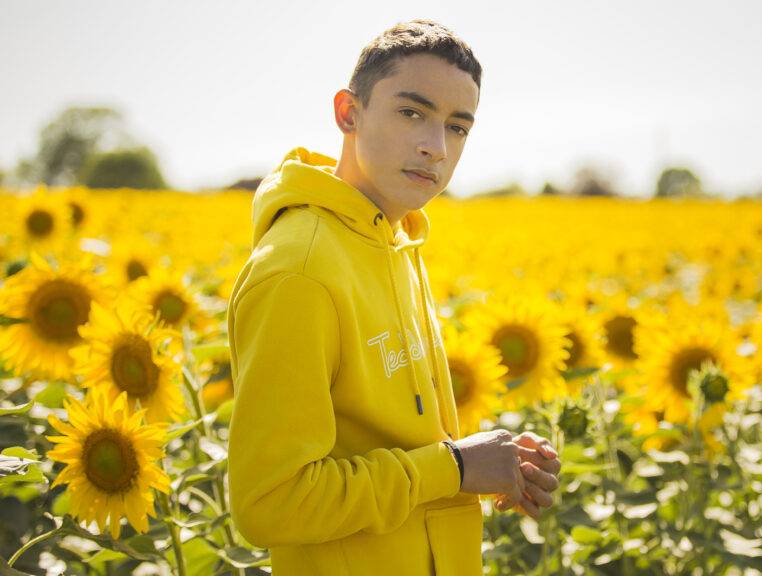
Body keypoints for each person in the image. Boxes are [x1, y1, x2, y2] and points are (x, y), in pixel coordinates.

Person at [225, 19, 562, 575]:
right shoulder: (299, 272)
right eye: (412, 113)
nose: (434, 147)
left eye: (458, 128)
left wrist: (493, 464)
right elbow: (269, 503)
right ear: (348, 113)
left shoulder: (396, 240)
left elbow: (394, 443)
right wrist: (455, 467)